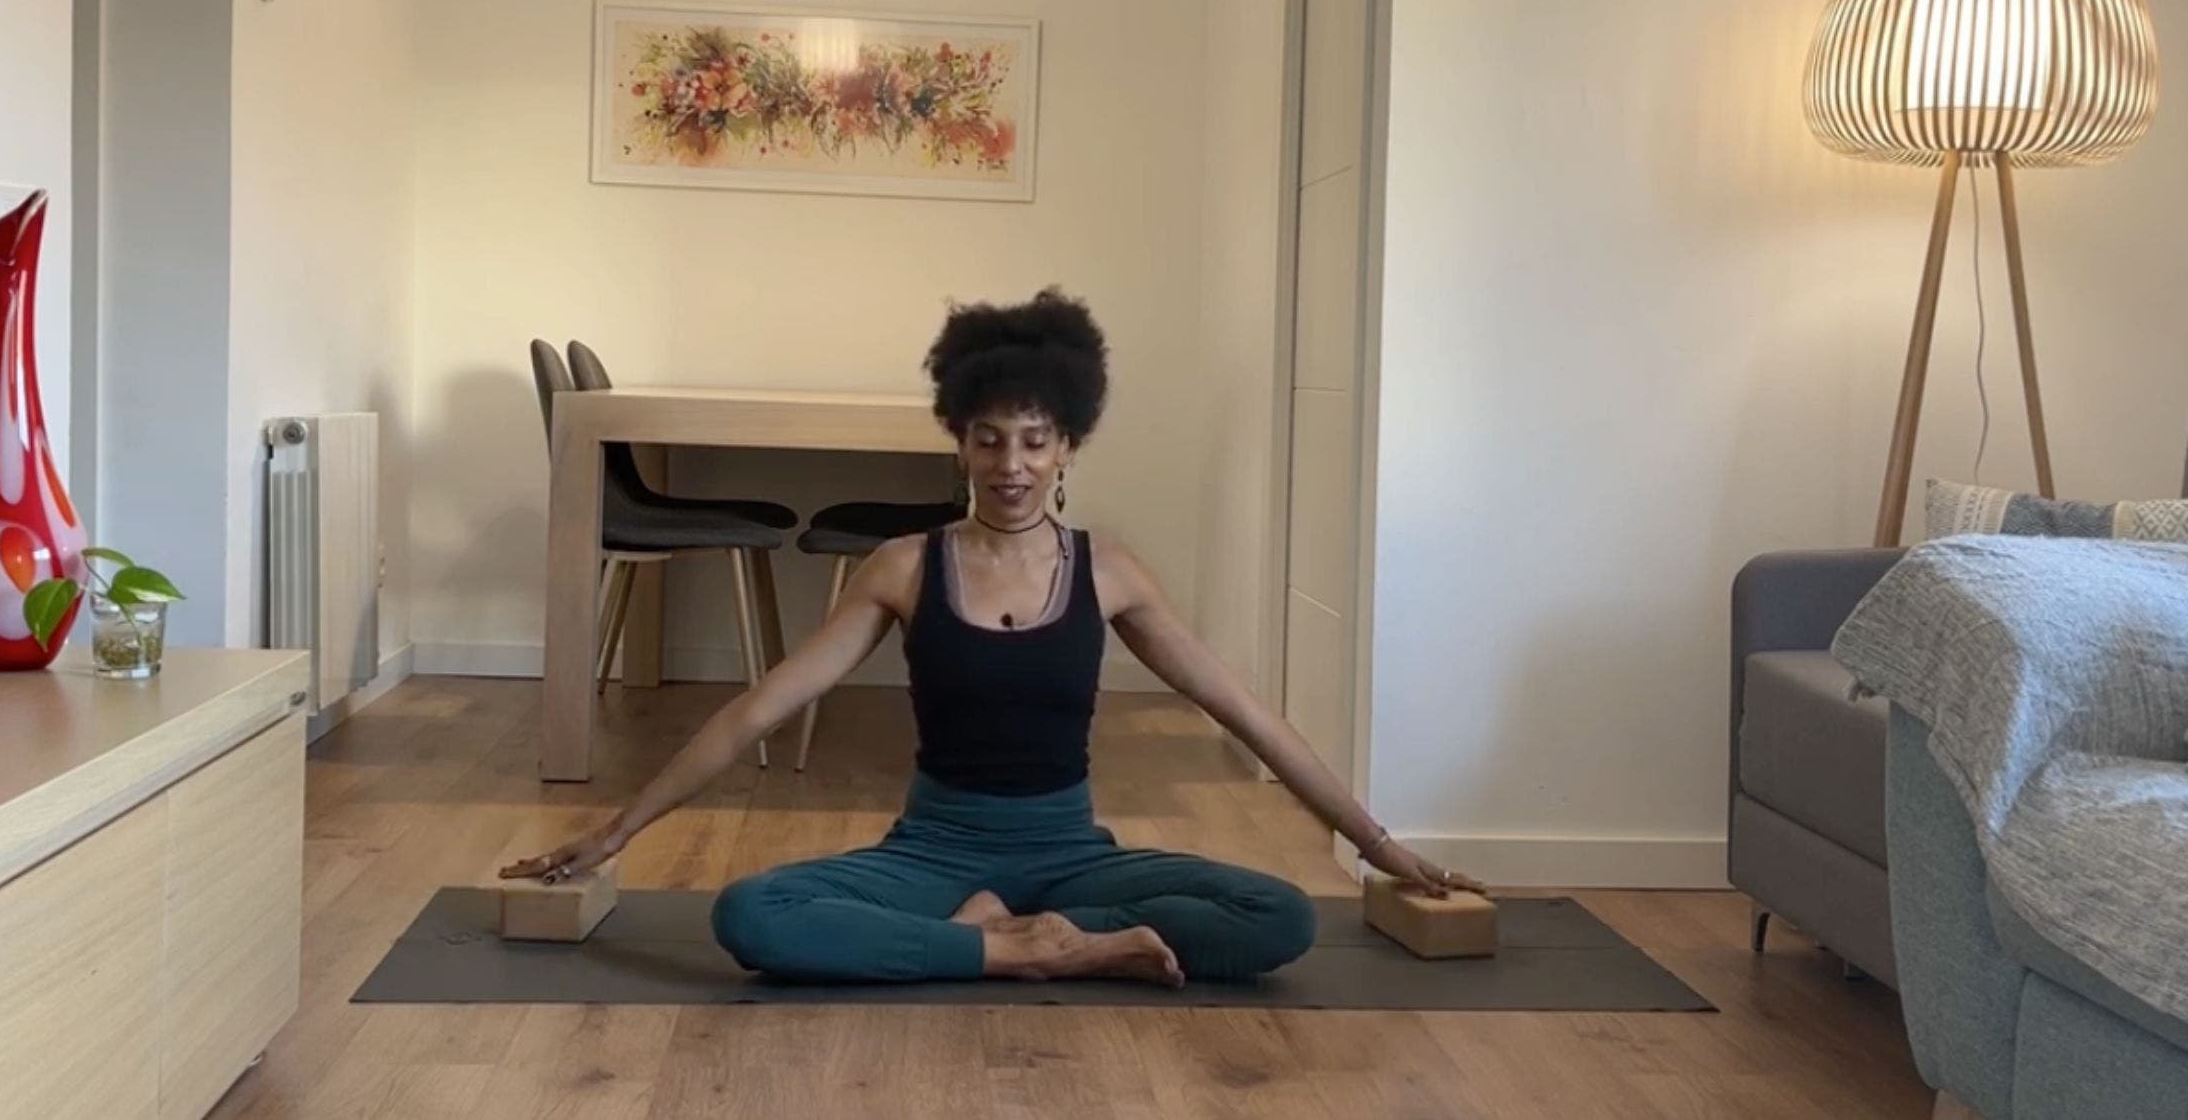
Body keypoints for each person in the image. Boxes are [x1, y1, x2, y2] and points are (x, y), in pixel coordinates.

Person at [503, 289, 1481, 985]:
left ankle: (1034, 933)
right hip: (931, 853)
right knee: (750, 915)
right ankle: (1029, 949)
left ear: (1068, 446)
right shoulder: (902, 566)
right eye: (988, 439)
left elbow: (1247, 714)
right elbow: (762, 706)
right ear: (959, 440)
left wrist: (1381, 848)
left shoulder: (1110, 572)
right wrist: (614, 831)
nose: (1010, 465)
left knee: (1284, 916)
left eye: (1034, 440)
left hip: (1074, 859)